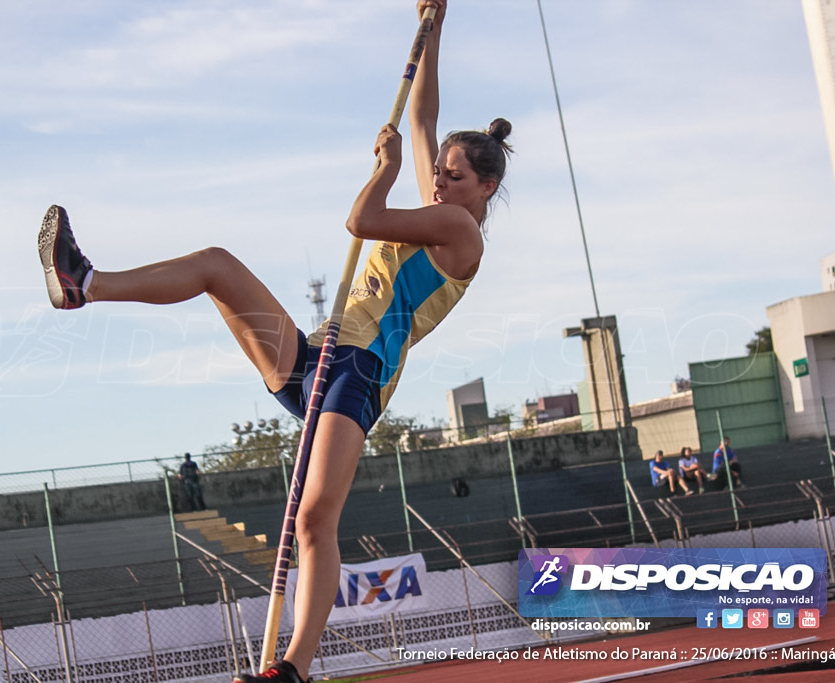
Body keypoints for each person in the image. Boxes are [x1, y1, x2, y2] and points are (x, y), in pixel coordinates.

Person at [37, 2, 510, 680]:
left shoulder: (460, 233)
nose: (437, 179)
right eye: (437, 172)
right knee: (217, 266)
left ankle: (292, 668)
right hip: (316, 357)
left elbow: (361, 219)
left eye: (453, 176)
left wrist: (383, 168)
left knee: (315, 520)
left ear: (485, 187)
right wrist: (432, 28)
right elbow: (422, 118)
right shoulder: (440, 207)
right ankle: (85, 283)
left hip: (360, 371)